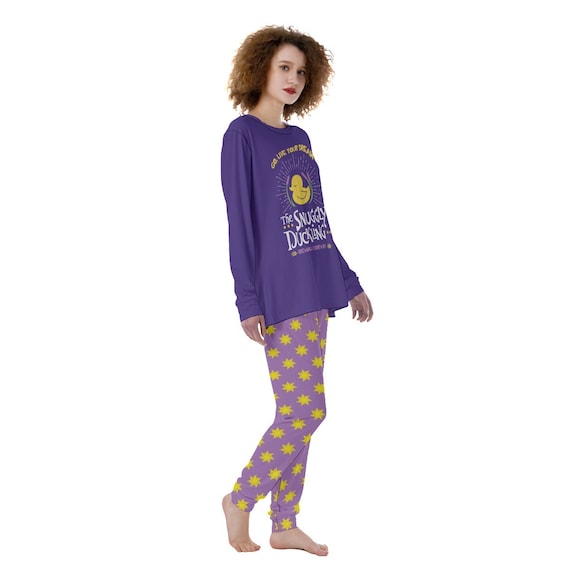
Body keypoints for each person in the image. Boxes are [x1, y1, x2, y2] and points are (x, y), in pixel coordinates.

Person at [220, 25, 373, 556]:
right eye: (284, 67)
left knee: (299, 410)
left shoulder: (299, 140)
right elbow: (241, 224)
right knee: (305, 412)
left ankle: (284, 523)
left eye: (301, 72)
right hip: (279, 293)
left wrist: (349, 282)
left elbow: (316, 219)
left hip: (314, 288)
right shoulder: (241, 136)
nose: (293, 79)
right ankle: (240, 498)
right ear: (260, 68)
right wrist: (247, 299)